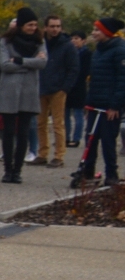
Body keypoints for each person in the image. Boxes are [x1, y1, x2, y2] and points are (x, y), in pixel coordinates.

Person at [0, 8, 47, 183]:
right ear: (20, 25)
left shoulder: (39, 41)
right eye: (29, 25)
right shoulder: (6, 41)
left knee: (24, 132)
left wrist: (18, 61)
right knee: (8, 132)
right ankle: (7, 169)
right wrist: (30, 64)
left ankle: (17, 170)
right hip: (9, 91)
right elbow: (4, 65)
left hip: (29, 91)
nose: (33, 28)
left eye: (34, 24)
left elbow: (43, 63)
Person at [72, 18, 124, 188]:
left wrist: (115, 105)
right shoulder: (99, 50)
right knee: (91, 140)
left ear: (107, 32)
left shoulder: (119, 50)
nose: (93, 33)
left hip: (110, 107)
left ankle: (112, 175)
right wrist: (89, 102)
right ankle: (87, 172)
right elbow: (93, 80)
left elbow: (122, 80)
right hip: (95, 104)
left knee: (108, 142)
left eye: (97, 30)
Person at [33, 15, 79, 168]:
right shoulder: (40, 43)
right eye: (52, 26)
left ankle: (59, 155)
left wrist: (65, 87)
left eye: (58, 26)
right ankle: (42, 153)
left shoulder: (67, 45)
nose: (55, 29)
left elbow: (73, 68)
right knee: (40, 123)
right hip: (41, 87)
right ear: (45, 27)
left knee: (58, 124)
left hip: (58, 88)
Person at [67, 30, 91, 148]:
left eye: (76, 38)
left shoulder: (87, 54)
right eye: (72, 38)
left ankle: (76, 138)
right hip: (66, 86)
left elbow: (85, 71)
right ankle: (66, 137)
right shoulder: (68, 53)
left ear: (83, 41)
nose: (73, 41)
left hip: (79, 87)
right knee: (65, 114)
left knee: (78, 114)